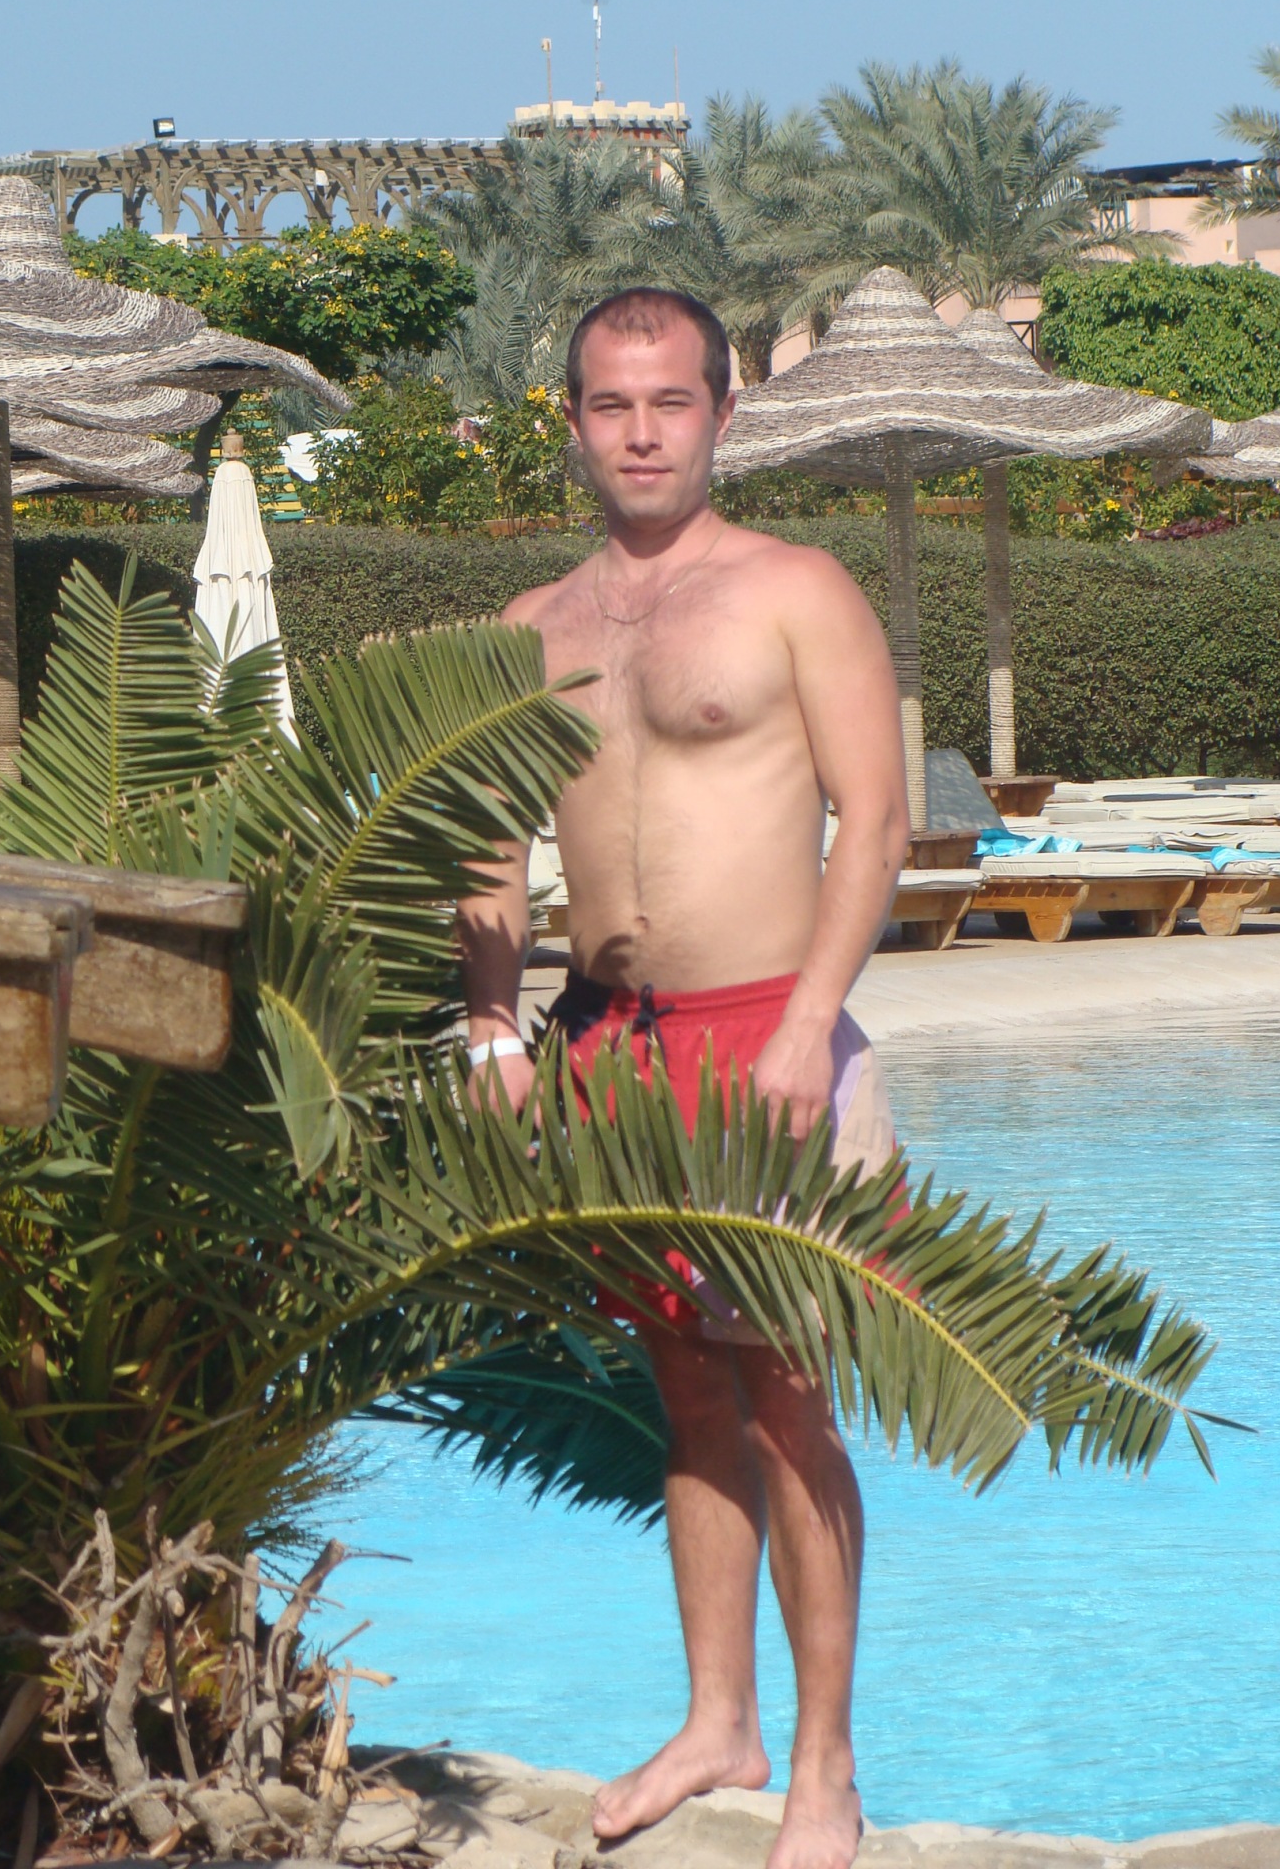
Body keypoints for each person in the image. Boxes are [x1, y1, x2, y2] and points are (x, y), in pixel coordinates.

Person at [455, 289, 909, 1869]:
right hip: (607, 1045)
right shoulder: (531, 626)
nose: (641, 432)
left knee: (789, 1404)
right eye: (611, 404)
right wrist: (495, 1028)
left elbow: (877, 821)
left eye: (670, 402)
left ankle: (826, 1768)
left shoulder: (796, 591)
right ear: (574, 422)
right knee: (685, 1390)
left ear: (723, 412)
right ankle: (722, 1721)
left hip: (768, 1033)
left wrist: (808, 1026)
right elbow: (487, 854)